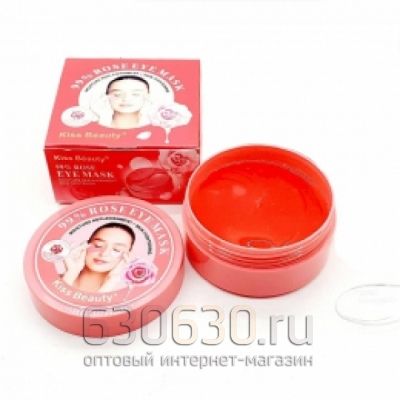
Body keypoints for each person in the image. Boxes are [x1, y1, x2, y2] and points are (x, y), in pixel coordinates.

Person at [62, 223, 135, 292]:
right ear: (85, 245)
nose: (104, 253)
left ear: (127, 256)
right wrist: (71, 273)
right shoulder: (59, 281)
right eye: (98, 245)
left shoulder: (125, 295)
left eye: (116, 250)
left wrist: (110, 282)